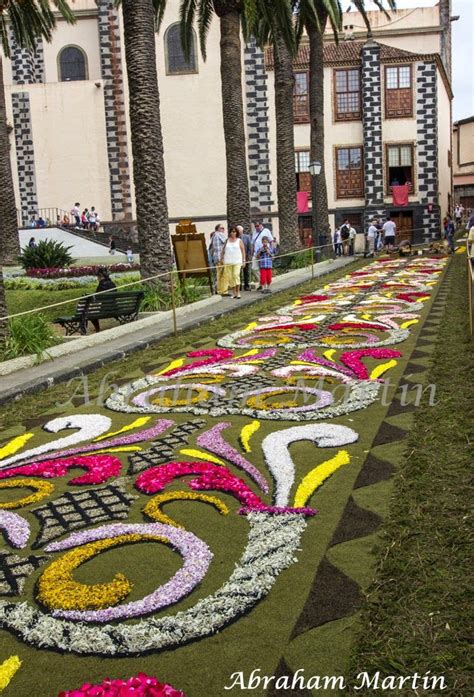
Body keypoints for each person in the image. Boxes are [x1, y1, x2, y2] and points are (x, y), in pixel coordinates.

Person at [221, 226, 246, 299]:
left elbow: (243, 251)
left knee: (236, 275)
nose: (233, 233)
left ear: (237, 233)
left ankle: (238, 292)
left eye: (234, 232)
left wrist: (244, 260)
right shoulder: (227, 240)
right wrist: (221, 258)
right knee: (230, 277)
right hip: (228, 261)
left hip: (237, 261)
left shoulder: (239, 240)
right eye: (232, 231)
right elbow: (223, 250)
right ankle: (234, 292)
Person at [90, 268, 116, 333]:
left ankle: (97, 329)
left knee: (90, 313)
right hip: (115, 308)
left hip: (104, 310)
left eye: (97, 277)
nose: (97, 278)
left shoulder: (101, 285)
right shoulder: (113, 284)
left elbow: (96, 298)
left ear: (101, 277)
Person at [251, 222, 274, 290]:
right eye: (255, 226)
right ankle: (262, 282)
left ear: (261, 225)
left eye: (258, 226)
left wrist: (271, 250)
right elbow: (252, 243)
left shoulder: (266, 230)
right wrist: (251, 253)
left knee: (265, 271)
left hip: (265, 255)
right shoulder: (254, 232)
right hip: (256, 254)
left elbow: (271, 241)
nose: (256, 227)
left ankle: (263, 284)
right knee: (254, 269)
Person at [210, 224, 229, 295]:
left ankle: (219, 290)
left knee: (219, 275)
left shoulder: (213, 236)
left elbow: (211, 249)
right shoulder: (219, 234)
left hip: (216, 258)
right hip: (221, 258)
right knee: (224, 274)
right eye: (222, 228)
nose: (223, 230)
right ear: (218, 229)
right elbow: (226, 242)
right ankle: (224, 290)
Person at [237, 225, 252, 291]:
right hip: (237, 257)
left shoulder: (247, 237)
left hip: (245, 257)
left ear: (242, 230)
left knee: (246, 272)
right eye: (237, 230)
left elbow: (249, 247)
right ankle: (239, 286)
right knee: (238, 272)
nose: (238, 231)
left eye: (239, 230)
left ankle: (246, 286)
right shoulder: (236, 238)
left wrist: (248, 256)